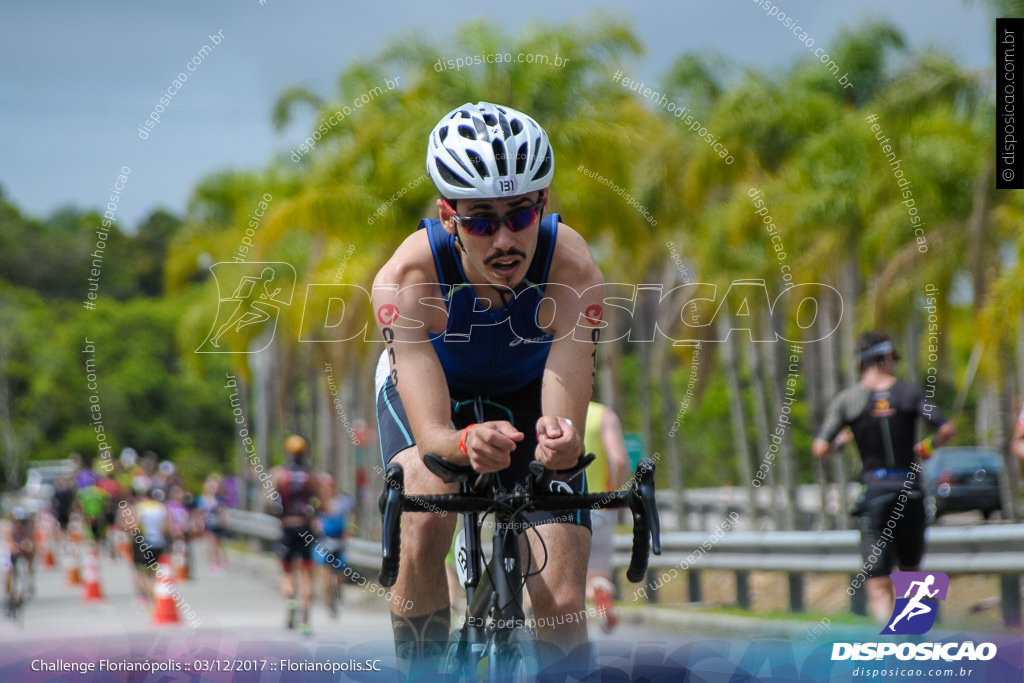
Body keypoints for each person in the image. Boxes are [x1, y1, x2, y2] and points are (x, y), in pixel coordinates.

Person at [372, 101, 604, 675]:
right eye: (480, 221)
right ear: (447, 215)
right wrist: (463, 441)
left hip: (528, 392)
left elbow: (562, 425)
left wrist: (561, 443)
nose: (503, 239)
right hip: (438, 397)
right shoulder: (408, 278)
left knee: (563, 604)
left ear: (543, 205)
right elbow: (431, 435)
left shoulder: (572, 268)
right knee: (426, 509)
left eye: (520, 216)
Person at [813, 331, 956, 624]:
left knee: (878, 583)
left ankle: (890, 651)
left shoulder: (849, 401)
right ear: (887, 357)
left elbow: (820, 447)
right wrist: (926, 448)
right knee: (912, 574)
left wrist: (844, 441)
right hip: (910, 492)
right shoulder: (909, 394)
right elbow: (946, 428)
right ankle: (913, 643)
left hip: (876, 494)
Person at [584, 401, 629, 633]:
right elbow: (619, 460)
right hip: (600, 509)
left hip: (560, 511)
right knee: (597, 574)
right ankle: (598, 590)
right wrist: (618, 495)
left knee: (560, 580)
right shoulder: (603, 415)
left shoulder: (550, 413)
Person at [270, 435, 322, 636]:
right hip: (306, 527)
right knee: (307, 575)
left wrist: (279, 516)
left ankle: (291, 598)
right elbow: (322, 503)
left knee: (285, 571)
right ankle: (306, 620)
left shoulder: (279, 474)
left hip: (287, 527)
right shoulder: (312, 476)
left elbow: (269, 502)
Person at [3, 507, 36, 615]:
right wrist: (14, 546)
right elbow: (9, 541)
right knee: (10, 569)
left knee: (29, 555)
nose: (21, 524)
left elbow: (29, 539)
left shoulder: (28, 527)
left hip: (21, 547)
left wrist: (28, 546)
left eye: (23, 521)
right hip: (10, 548)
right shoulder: (10, 527)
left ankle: (29, 580)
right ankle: (8, 592)